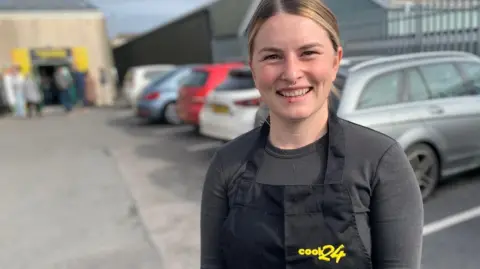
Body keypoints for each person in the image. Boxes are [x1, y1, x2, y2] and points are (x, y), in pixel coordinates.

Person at [200, 1, 424, 269]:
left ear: (335, 61)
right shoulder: (227, 164)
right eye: (272, 56)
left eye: (308, 53)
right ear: (254, 69)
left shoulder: (379, 161)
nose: (292, 73)